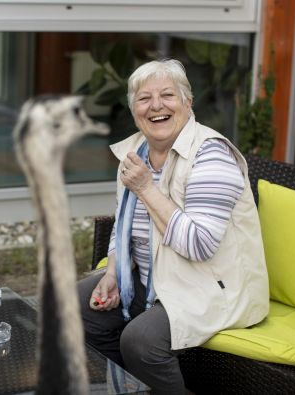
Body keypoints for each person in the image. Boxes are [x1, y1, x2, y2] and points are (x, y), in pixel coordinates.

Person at [77, 59, 269, 394]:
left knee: (141, 341)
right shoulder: (136, 153)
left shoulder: (211, 155)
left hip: (211, 288)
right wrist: (113, 274)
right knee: (72, 306)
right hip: (156, 281)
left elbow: (199, 245)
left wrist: (146, 188)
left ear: (187, 103)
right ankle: (128, 386)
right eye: (144, 98)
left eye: (167, 95)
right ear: (134, 109)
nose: (156, 106)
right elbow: (124, 225)